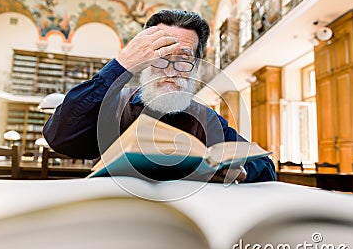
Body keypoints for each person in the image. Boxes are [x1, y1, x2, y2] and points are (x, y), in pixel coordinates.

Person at [43, 10, 276, 183]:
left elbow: (265, 167)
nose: (171, 70)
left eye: (183, 59)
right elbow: (59, 136)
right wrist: (122, 64)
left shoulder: (207, 118)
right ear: (143, 60)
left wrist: (242, 171)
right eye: (161, 56)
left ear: (196, 67)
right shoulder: (112, 105)